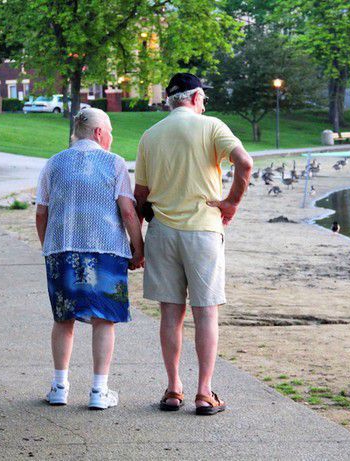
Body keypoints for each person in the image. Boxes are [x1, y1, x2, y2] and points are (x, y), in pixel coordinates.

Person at [134, 73, 253, 415]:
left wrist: (137, 244)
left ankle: (174, 389)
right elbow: (245, 163)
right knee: (205, 313)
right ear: (197, 96)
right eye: (205, 98)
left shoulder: (150, 135)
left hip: (162, 232)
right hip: (202, 231)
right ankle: (204, 392)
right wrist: (231, 202)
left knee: (170, 313)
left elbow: (140, 196)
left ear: (171, 100)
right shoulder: (212, 127)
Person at [35, 108, 144, 410]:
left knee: (63, 319)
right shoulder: (114, 163)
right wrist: (138, 248)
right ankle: (99, 391)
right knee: (104, 320)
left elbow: (41, 212)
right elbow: (127, 211)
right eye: (110, 132)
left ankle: (59, 387)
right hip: (105, 251)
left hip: (62, 250)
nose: (111, 138)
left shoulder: (54, 163)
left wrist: (50, 248)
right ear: (99, 133)